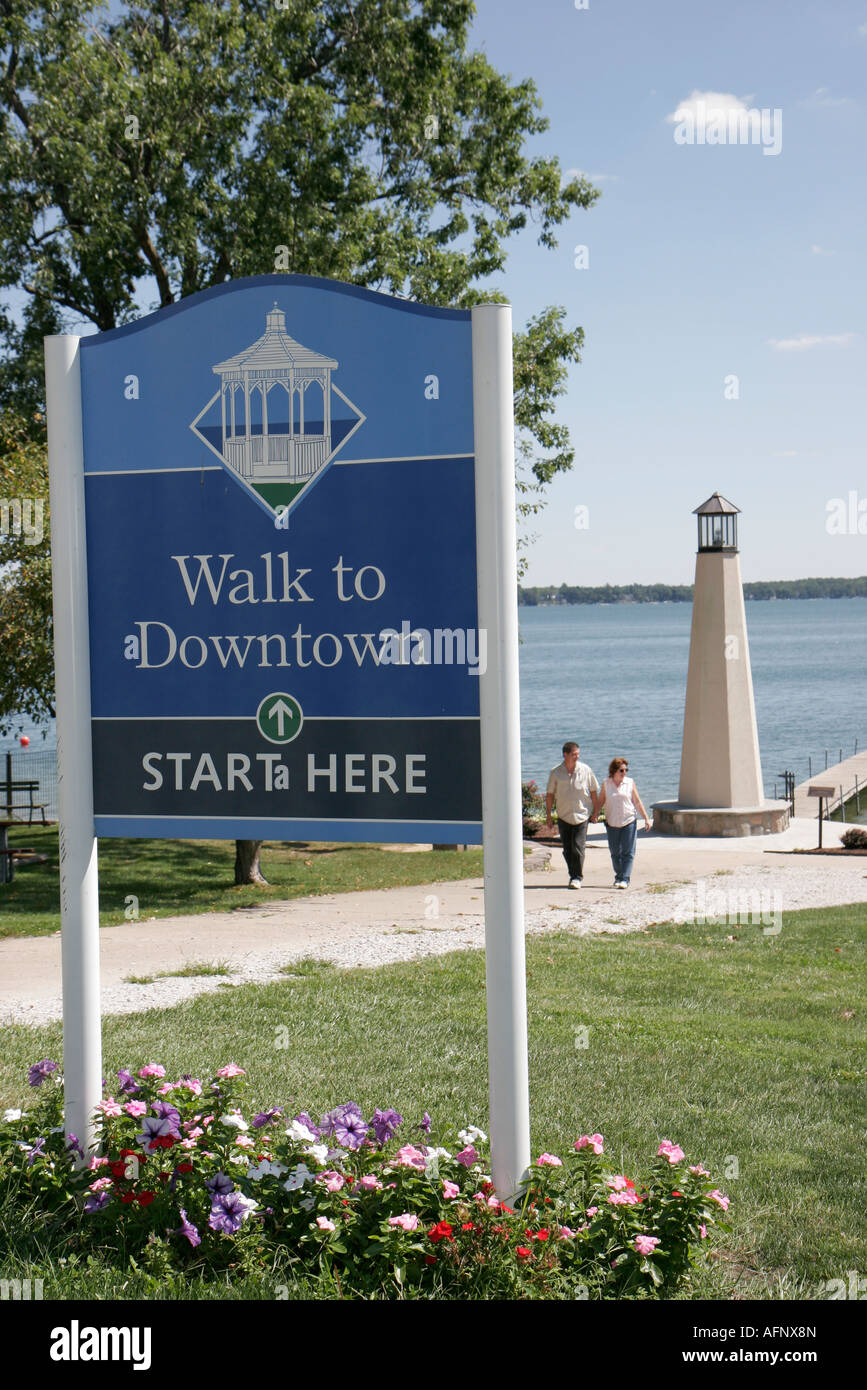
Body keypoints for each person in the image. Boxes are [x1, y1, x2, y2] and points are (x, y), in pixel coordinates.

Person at [545, 741, 600, 888]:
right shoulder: (555, 773)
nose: (577, 756)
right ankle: (573, 874)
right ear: (565, 755)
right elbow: (550, 795)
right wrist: (548, 815)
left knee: (578, 846)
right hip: (564, 815)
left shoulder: (586, 770)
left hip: (582, 815)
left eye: (578, 754)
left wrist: (596, 811)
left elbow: (594, 791)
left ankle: (577, 877)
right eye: (574, 754)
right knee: (568, 849)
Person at [595, 756, 651, 889]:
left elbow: (637, 801)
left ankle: (625, 878)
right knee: (615, 852)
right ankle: (619, 876)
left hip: (629, 820)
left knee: (628, 851)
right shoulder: (606, 784)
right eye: (621, 770)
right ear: (614, 771)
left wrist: (646, 818)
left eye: (626, 770)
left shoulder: (630, 783)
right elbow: (601, 800)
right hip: (612, 822)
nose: (624, 773)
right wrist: (595, 814)